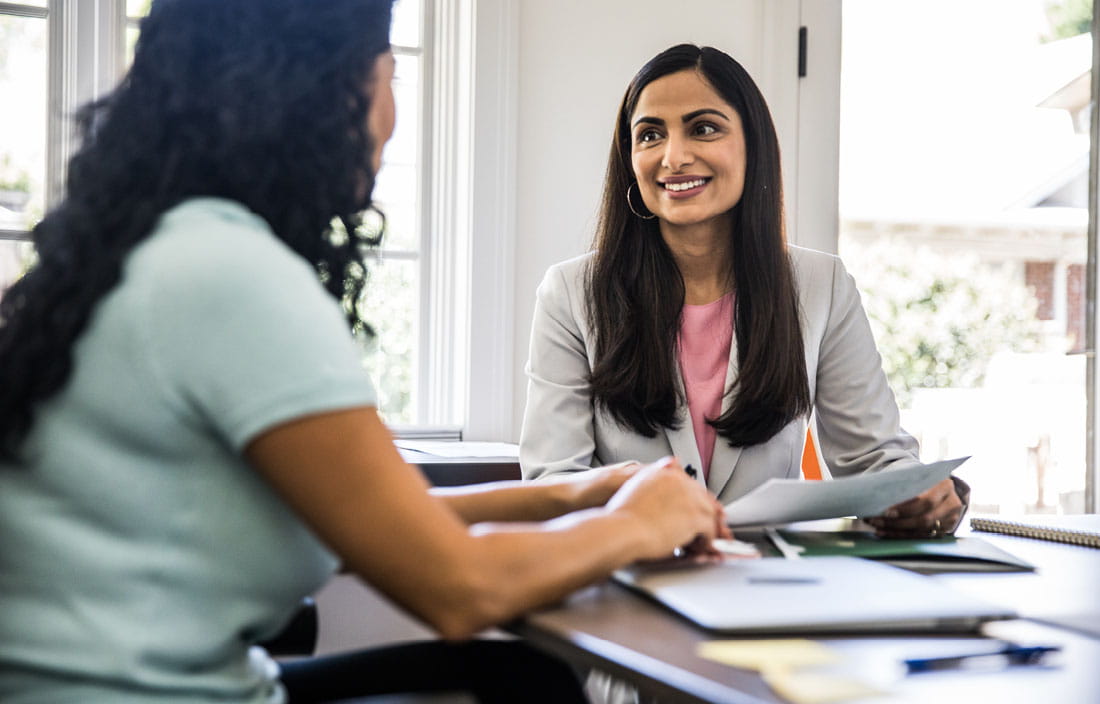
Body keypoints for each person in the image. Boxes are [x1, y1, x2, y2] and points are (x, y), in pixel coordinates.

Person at [0, 4, 728, 703]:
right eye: (390, 78)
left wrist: (575, 494)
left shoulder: (157, 249)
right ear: (329, 91)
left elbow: (376, 519)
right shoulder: (231, 278)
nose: (391, 116)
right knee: (524, 682)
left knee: (520, 681)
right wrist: (639, 524)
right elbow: (460, 588)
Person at [520, 43, 969, 539]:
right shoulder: (570, 294)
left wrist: (915, 494)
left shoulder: (822, 286)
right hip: (628, 580)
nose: (674, 157)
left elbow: (873, 458)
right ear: (630, 159)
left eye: (704, 128)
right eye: (650, 135)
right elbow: (551, 483)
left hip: (771, 586)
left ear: (752, 145)